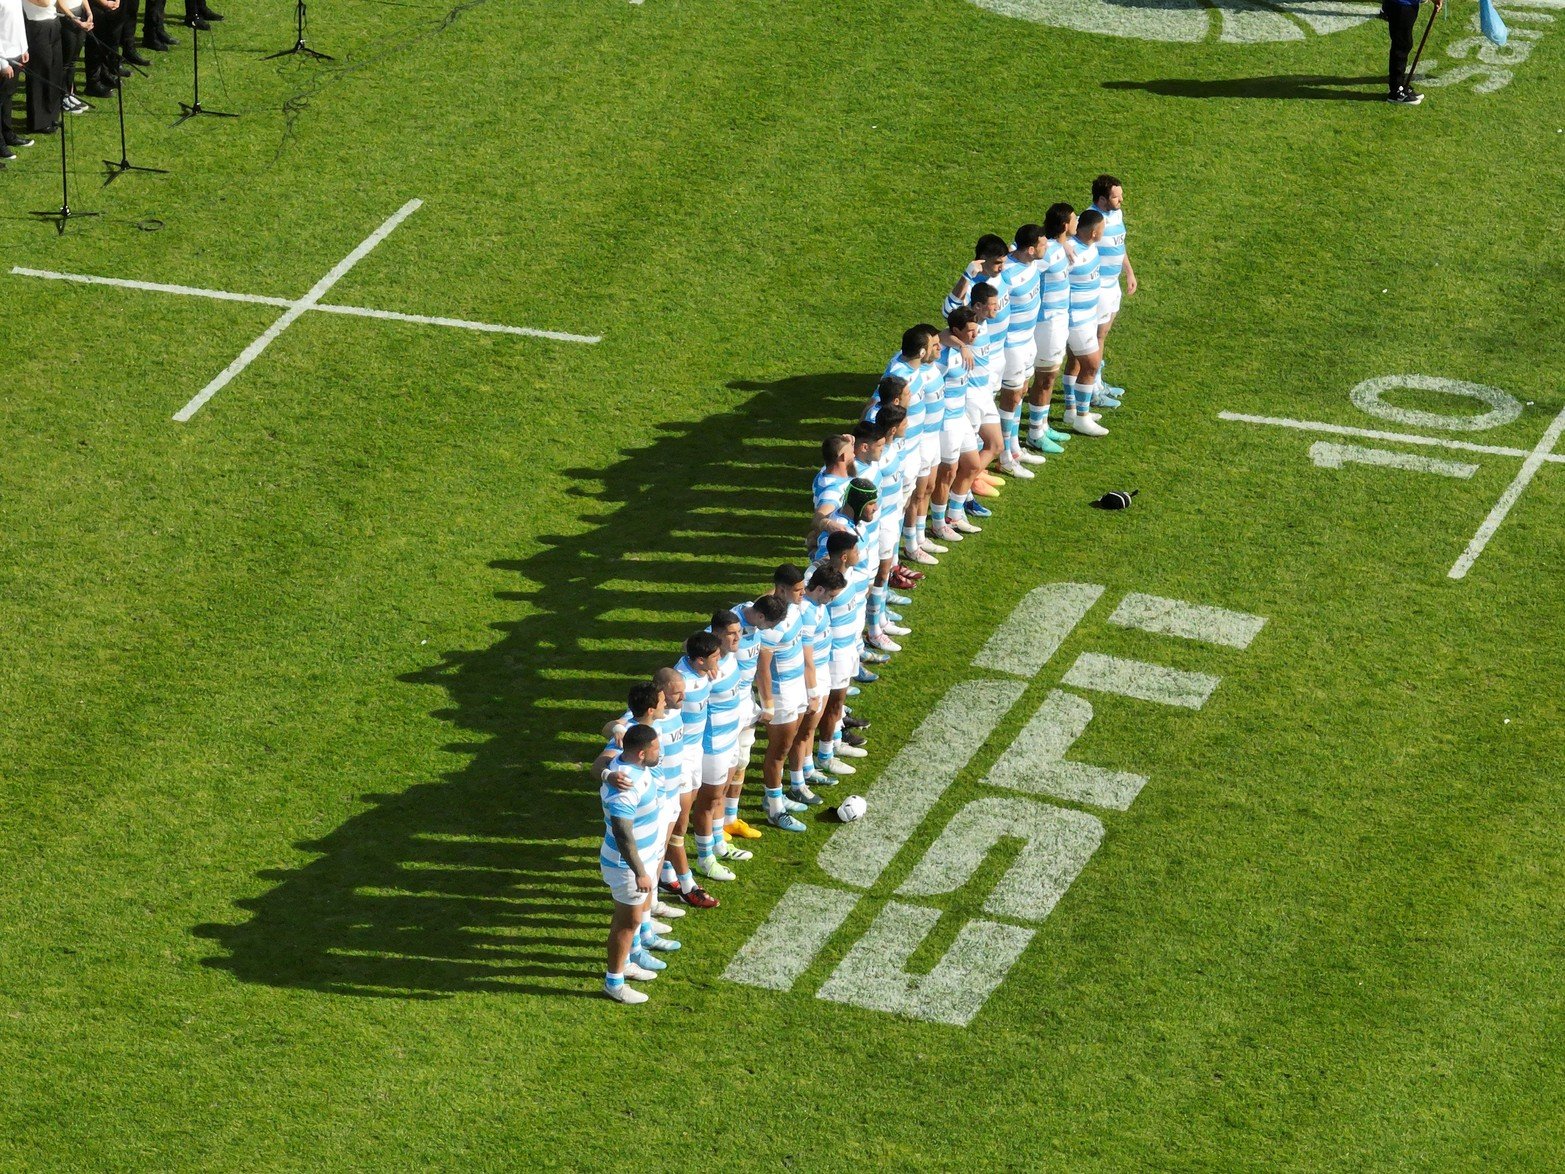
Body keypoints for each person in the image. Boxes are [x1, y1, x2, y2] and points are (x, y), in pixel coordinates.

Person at [1026, 204, 1078, 454]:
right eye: (1074, 219)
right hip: (1046, 323)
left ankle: (1043, 426)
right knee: (1045, 378)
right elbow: (1021, 257)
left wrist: (1063, 243)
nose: (1077, 221)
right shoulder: (1045, 253)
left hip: (1059, 320)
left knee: (1050, 376)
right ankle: (1035, 433)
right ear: (1066, 224)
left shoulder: (1057, 247)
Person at [997, 225, 1047, 477]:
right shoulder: (1006, 274)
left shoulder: (1032, 263)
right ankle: (1004, 456)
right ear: (1030, 249)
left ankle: (1014, 448)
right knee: (1011, 397)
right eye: (1042, 246)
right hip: (1012, 344)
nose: (1046, 249)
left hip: (1029, 340)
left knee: (1023, 391)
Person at [1090, 175, 1137, 408]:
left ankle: (1097, 382)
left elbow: (1120, 244)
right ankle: (1092, 388)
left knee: (1103, 335)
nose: (1121, 200)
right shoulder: (1089, 221)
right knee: (1096, 337)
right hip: (1098, 289)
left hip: (1113, 285)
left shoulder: (1115, 214)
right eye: (1116, 196)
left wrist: (1128, 272)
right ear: (1101, 199)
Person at [1063, 209, 1109, 437]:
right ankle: (1082, 416)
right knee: (1091, 364)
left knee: (1076, 363)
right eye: (1102, 229)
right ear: (1093, 232)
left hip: (1088, 316)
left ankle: (1071, 410)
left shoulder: (1088, 247)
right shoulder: (1070, 253)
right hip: (1076, 319)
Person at [1385, 0, 1441, 104]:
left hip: (1407, 4)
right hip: (1401, 5)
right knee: (1401, 46)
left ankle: (1401, 85)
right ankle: (1396, 91)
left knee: (1405, 44)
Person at [21, 0, 62, 135]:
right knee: (40, 72)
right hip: (37, 25)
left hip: (53, 22)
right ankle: (39, 121)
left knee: (54, 70)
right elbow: (44, 2)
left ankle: (52, 115)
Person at [0, 0, 29, 162]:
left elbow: (19, 21)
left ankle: (8, 134)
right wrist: (2, 63)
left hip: (16, 53)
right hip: (4, 57)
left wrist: (23, 47)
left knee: (8, 97)